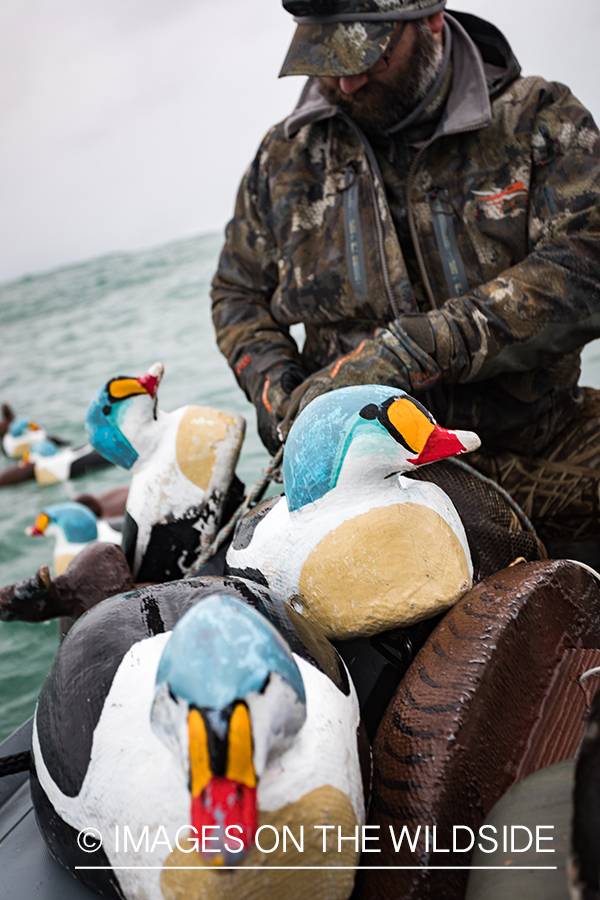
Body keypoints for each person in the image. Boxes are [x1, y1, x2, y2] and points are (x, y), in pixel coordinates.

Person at [211, 0, 600, 546]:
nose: (347, 83)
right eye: (327, 59)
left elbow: (588, 259)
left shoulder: (538, 117)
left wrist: (417, 349)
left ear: (431, 21)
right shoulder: (282, 160)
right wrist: (279, 393)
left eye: (367, 56)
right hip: (363, 481)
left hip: (539, 447)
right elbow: (237, 293)